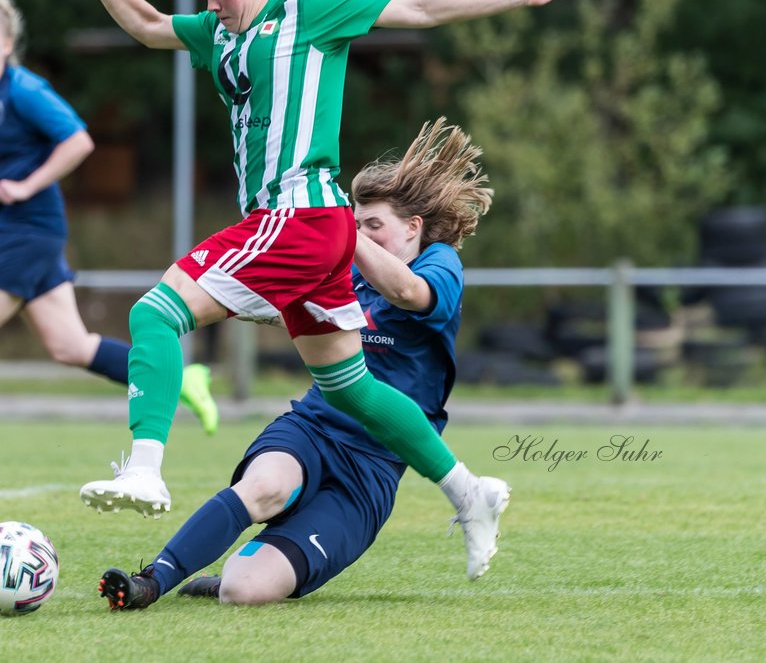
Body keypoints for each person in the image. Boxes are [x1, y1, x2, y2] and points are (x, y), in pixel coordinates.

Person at [66, 0, 580, 577]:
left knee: (153, 314)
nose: (209, 4)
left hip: (296, 219)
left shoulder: (312, 9)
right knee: (346, 385)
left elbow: (419, 8)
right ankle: (469, 492)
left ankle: (145, 471)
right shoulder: (220, 33)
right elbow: (148, 26)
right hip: (306, 232)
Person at [98, 118, 500, 609]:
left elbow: (408, 292)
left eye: (374, 227)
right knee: (266, 487)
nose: (360, 236)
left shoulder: (439, 264)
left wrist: (336, 233)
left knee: (243, 591)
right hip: (313, 426)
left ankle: (235, 573)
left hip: (372, 469)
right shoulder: (342, 265)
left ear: (414, 228)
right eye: (356, 225)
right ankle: (151, 580)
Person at [0, 0, 218, 482]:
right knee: (70, 346)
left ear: (7, 43)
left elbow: (79, 140)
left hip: (27, 230)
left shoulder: (24, 90)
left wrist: (29, 185)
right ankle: (184, 379)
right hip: (13, 230)